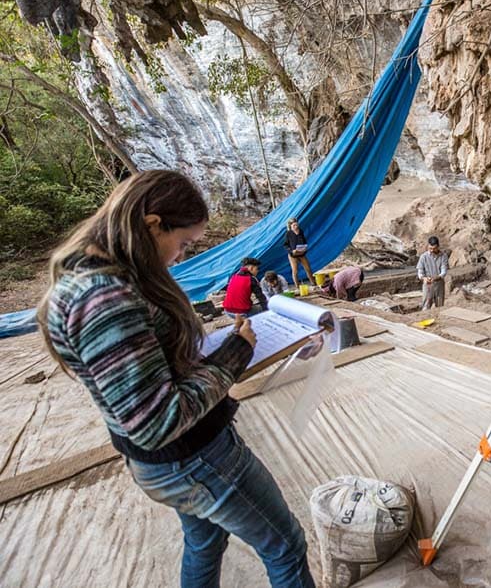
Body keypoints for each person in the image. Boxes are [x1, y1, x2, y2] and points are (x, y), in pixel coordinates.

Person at [37, 170, 316, 588]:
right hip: (192, 455)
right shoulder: (105, 298)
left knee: (205, 538)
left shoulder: (103, 276)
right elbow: (156, 422)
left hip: (177, 459)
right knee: (286, 547)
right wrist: (232, 356)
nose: (180, 257)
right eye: (182, 243)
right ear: (152, 225)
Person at [417, 235, 448, 310]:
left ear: (438, 247)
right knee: (426, 305)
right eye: (430, 248)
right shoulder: (423, 257)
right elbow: (420, 271)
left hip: (439, 283)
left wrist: (436, 277)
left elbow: (444, 271)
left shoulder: (443, 256)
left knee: (440, 305)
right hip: (427, 284)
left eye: (434, 249)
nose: (432, 250)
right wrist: (423, 278)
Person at [284, 218, 315, 287]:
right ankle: (297, 286)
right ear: (291, 226)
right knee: (295, 271)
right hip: (293, 255)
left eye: (296, 225)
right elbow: (285, 245)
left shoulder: (300, 231)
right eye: (294, 225)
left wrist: (305, 247)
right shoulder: (288, 233)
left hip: (301, 253)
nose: (296, 227)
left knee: (308, 268)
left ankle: (313, 282)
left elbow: (304, 241)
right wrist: (291, 251)